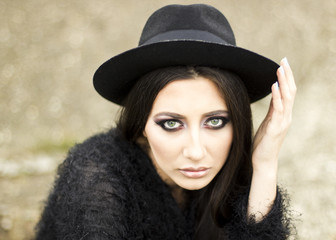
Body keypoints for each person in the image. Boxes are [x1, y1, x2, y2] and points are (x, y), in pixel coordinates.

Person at [35, 4, 296, 240]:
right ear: (142, 123)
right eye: (171, 124)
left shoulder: (231, 170)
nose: (195, 152)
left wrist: (264, 164)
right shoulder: (97, 177)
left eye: (215, 121)